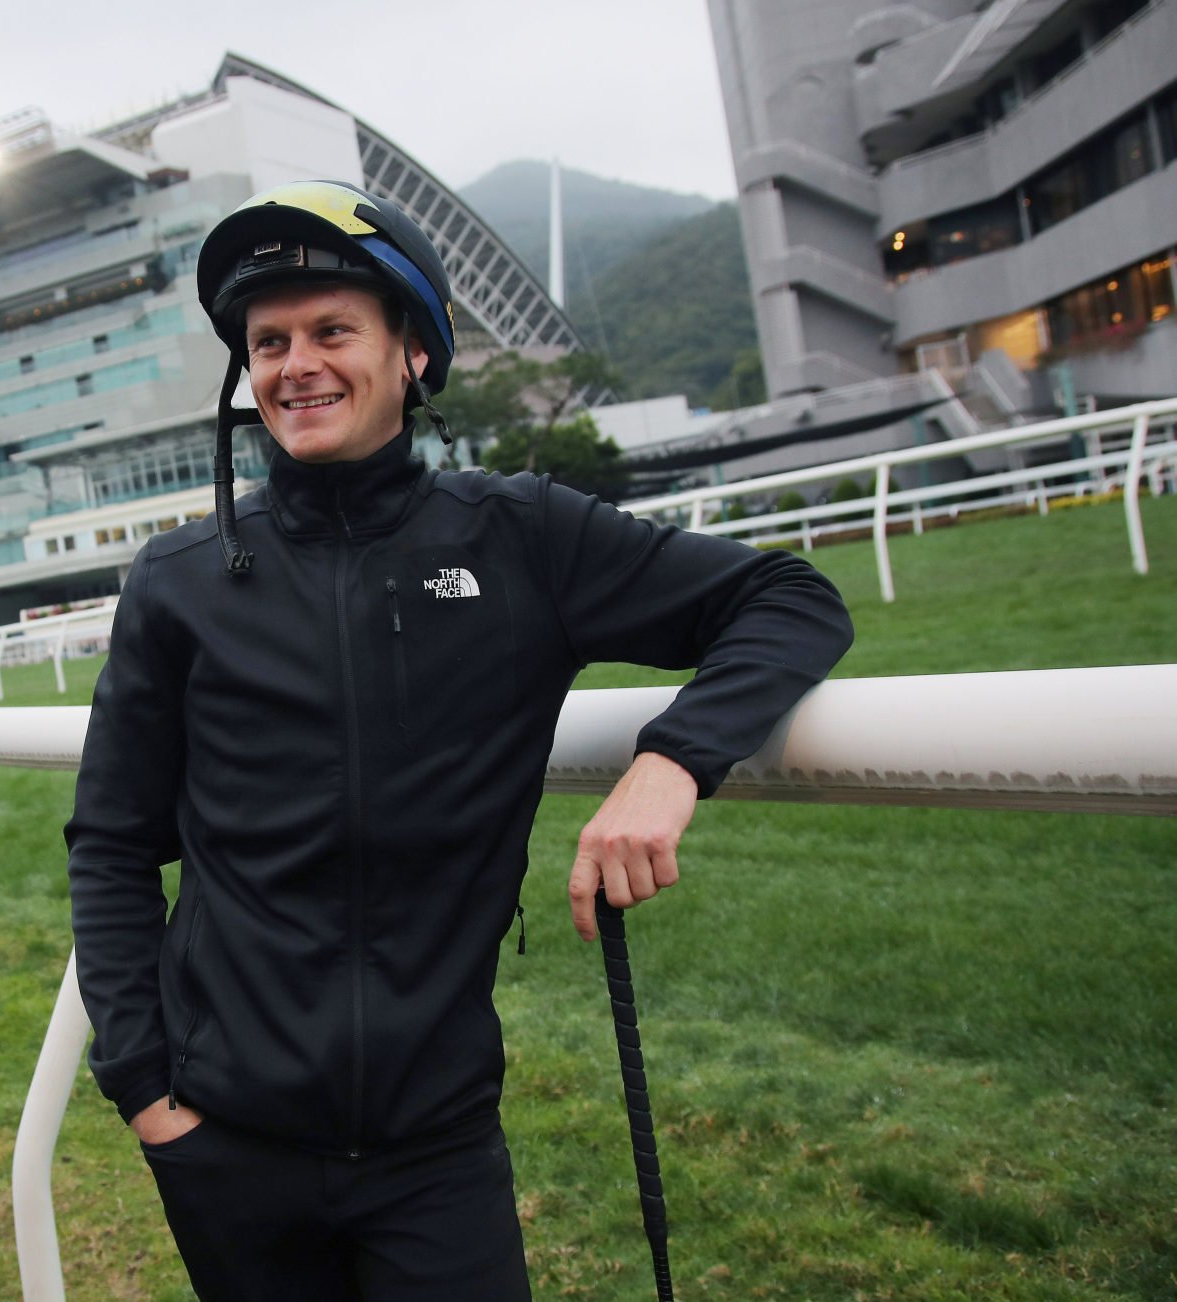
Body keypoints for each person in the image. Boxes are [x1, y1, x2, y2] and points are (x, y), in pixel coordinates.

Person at [65, 180, 853, 1299]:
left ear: (414, 356)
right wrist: (147, 1091)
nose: (297, 365)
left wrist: (671, 762)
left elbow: (788, 599)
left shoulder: (521, 535)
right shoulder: (177, 583)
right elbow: (107, 843)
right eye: (269, 342)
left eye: (333, 330)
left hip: (435, 1149)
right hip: (222, 1141)